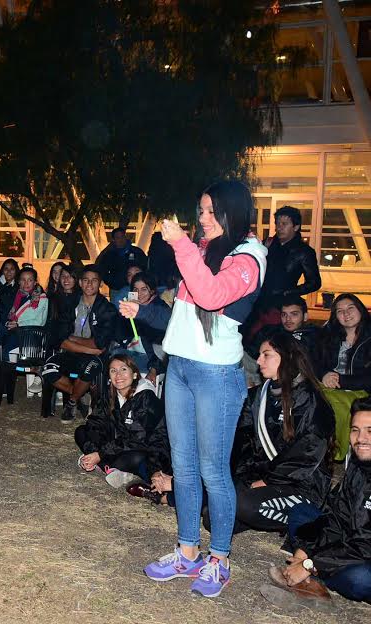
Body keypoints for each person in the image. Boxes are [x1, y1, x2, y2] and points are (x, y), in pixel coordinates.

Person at [143, 180, 268, 599]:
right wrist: (142, 310)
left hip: (216, 376)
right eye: (200, 210)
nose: (203, 219)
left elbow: (212, 296)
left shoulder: (249, 257)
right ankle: (187, 551)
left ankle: (220, 558)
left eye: (213, 211)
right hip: (178, 368)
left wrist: (180, 245)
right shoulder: (201, 252)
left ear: (235, 212)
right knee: (184, 466)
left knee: (214, 470)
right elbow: (185, 315)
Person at [263, 396, 371, 607]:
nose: (361, 438)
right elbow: (336, 517)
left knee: (361, 579)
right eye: (355, 430)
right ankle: (310, 576)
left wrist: (311, 563)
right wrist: (307, 549)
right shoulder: (357, 467)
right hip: (345, 546)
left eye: (370, 430)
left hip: (363, 556)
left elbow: (366, 546)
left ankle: (312, 577)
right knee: (301, 512)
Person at [229, 333, 335, 535]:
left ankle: (302, 517)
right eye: (259, 355)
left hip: (301, 485)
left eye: (266, 355)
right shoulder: (258, 396)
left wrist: (268, 481)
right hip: (263, 475)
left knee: (242, 505)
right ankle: (254, 512)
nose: (259, 360)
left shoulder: (310, 400)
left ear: (287, 357)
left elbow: (307, 451)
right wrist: (238, 475)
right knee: (215, 511)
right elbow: (242, 438)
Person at [75, 354, 169, 488]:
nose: (118, 375)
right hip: (118, 444)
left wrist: (100, 454)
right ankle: (106, 466)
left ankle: (105, 464)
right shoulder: (110, 394)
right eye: (113, 371)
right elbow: (95, 422)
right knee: (81, 431)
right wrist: (93, 451)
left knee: (132, 459)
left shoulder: (145, 397)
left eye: (123, 369)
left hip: (145, 449)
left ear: (135, 374)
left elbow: (137, 439)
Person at [41, 265, 121, 422]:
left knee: (90, 367)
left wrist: (74, 339)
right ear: (80, 283)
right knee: (48, 370)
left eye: (94, 281)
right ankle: (81, 393)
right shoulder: (70, 304)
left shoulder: (107, 309)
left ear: (100, 284)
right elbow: (61, 341)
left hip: (93, 358)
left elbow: (100, 343)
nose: (89, 284)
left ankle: (71, 403)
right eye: (85, 280)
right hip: (72, 353)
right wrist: (88, 348)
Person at [252, 206, 321, 331]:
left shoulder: (304, 251)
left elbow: (315, 282)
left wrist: (289, 292)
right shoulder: (268, 243)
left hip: (281, 308)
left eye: (284, 224)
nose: (279, 227)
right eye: (277, 223)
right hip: (258, 303)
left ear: (296, 227)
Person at [117, 272, 171, 382]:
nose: (139, 293)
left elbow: (161, 346)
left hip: (153, 359)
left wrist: (154, 369)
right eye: (135, 290)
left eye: (143, 289)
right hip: (131, 353)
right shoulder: (129, 308)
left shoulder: (159, 310)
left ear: (152, 291)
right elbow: (120, 335)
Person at [315, 293, 371, 392]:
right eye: (340, 311)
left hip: (363, 394)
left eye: (350, 308)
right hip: (328, 389)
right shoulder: (327, 335)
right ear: (335, 316)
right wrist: (323, 374)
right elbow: (313, 361)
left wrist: (340, 380)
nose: (346, 314)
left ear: (360, 309)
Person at [96, 227, 148, 306]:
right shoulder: (109, 254)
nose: (121, 239)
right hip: (117, 289)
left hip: (134, 288)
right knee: (116, 310)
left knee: (133, 309)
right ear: (113, 240)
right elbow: (103, 271)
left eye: (122, 236)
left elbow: (145, 267)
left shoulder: (136, 251)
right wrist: (112, 282)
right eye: (117, 237)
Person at [0, 259, 20, 325]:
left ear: (16, 271)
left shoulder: (20, 285)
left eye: (12, 269)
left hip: (14, 321)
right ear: (2, 271)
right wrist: (2, 285)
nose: (9, 272)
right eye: (6, 269)